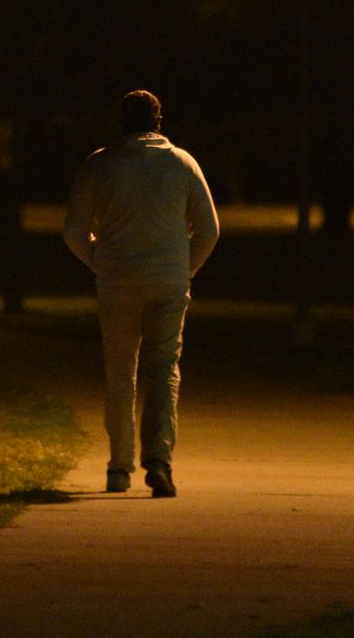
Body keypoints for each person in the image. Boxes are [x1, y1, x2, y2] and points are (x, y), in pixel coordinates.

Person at [63, 90, 219, 498]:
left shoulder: (100, 165)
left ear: (120, 122)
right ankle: (159, 460)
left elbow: (74, 231)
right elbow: (209, 229)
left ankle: (119, 467)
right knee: (163, 368)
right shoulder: (181, 163)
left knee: (120, 372)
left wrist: (100, 260)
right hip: (168, 279)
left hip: (118, 281)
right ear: (158, 121)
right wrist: (185, 270)